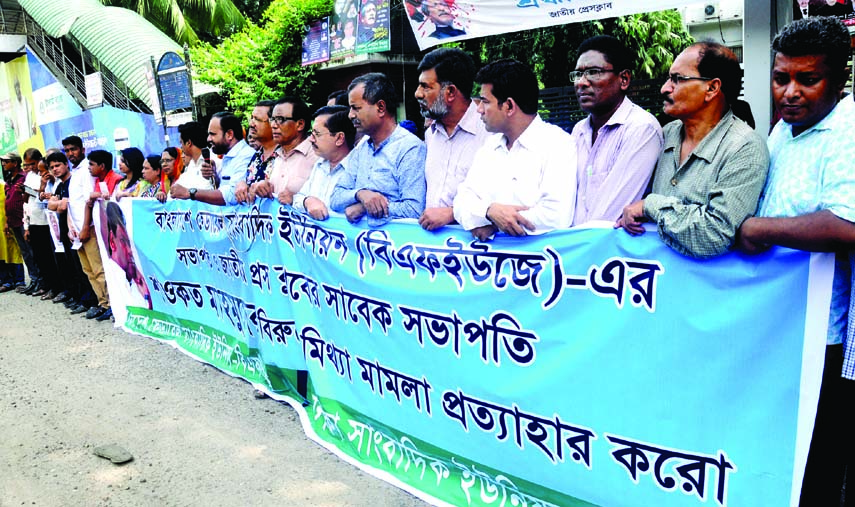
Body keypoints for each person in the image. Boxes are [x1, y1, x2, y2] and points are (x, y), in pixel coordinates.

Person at [735, 17, 855, 506]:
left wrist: (757, 229)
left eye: (808, 79)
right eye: (781, 77)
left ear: (839, 79)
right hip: (781, 326)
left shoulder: (846, 131)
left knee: (817, 465)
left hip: (824, 337)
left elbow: (847, 225)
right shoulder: (786, 130)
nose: (790, 92)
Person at [616, 42, 769, 259]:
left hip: (707, 288)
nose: (665, 88)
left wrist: (650, 206)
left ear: (712, 88)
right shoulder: (665, 134)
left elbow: (715, 234)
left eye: (678, 79)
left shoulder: (744, 148)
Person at [453, 59, 575, 241]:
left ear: (509, 106)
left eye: (485, 102)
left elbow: (556, 216)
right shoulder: (489, 147)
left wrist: (495, 223)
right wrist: (488, 211)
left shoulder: (558, 144)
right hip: (489, 266)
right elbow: (461, 202)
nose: (478, 110)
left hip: (540, 264)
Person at [570, 35, 663, 225]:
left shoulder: (641, 128)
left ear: (624, 79)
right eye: (578, 74)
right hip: (569, 248)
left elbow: (608, 215)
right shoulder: (579, 130)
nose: (581, 82)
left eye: (594, 72)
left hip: (604, 249)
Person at [330, 72, 427, 226]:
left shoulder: (410, 148)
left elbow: (414, 208)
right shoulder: (362, 149)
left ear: (381, 107)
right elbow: (335, 198)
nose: (350, 115)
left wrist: (365, 208)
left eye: (356, 108)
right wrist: (360, 194)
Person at [414, 47, 489, 231]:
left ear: (451, 92)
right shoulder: (431, 134)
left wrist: (452, 213)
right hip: (433, 252)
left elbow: (503, 198)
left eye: (426, 87)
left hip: (476, 251)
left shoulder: (490, 132)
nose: (417, 94)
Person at [172, 113, 254, 205]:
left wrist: (189, 192)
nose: (208, 139)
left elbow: (231, 196)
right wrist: (215, 177)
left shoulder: (246, 155)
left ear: (230, 134)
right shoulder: (228, 156)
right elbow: (223, 188)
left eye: (212, 134)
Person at [78, 149, 122, 322]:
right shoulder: (98, 181)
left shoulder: (116, 180)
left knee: (105, 269)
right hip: (101, 231)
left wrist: (97, 196)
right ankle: (106, 304)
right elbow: (91, 202)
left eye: (92, 164)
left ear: (102, 166)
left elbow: (113, 200)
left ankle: (113, 304)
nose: (89, 168)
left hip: (115, 233)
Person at [292, 106, 356, 220]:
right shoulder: (320, 165)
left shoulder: (358, 169)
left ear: (339, 138)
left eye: (317, 134)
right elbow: (298, 198)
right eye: (311, 133)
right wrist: (307, 201)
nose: (311, 139)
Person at [250, 97, 317, 205]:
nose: (273, 125)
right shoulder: (277, 156)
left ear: (300, 124)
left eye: (280, 119)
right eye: (272, 119)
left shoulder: (316, 154)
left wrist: (297, 200)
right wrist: (263, 187)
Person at [22, 148, 60, 298]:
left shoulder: (48, 175)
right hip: (33, 220)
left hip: (47, 221)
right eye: (27, 165)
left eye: (32, 164)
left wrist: (41, 188)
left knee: (50, 258)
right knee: (40, 257)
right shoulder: (31, 176)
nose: (30, 168)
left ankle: (57, 287)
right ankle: (46, 285)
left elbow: (43, 198)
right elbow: (27, 200)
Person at [2, 151, 39, 293]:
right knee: (26, 253)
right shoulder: (9, 180)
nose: (4, 164)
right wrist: (6, 222)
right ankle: (34, 280)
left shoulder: (24, 178)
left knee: (32, 251)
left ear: (15, 163)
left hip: (25, 221)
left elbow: (29, 197)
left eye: (7, 161)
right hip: (13, 222)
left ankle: (39, 280)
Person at [103, 201, 151, 310]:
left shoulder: (138, 276)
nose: (130, 251)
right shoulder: (114, 273)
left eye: (130, 244)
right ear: (112, 242)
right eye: (124, 242)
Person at [172, 121, 214, 192]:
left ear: (188, 143)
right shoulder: (191, 164)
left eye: (181, 143)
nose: (181, 147)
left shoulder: (212, 161)